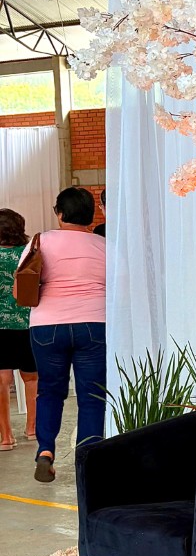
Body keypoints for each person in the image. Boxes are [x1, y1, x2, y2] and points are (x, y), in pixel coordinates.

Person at [23, 186, 106, 484]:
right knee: (93, 395)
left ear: (59, 213)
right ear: (91, 215)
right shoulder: (104, 245)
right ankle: (88, 463)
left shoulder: (40, 242)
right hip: (94, 323)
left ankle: (45, 451)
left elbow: (23, 284)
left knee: (49, 391)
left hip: (48, 326)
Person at [0, 208, 38, 451]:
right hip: (28, 322)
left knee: (1, 380)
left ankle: (6, 437)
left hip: (0, 325)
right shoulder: (29, 253)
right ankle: (32, 428)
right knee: (31, 377)